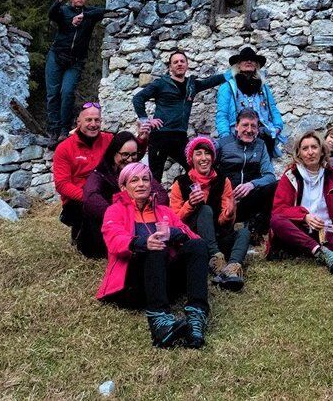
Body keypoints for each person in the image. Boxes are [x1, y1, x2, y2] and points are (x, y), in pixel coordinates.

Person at [97, 162, 210, 349]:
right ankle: (160, 323)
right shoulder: (115, 210)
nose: (141, 184)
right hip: (133, 286)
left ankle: (196, 317)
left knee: (198, 245)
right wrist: (142, 242)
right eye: (134, 180)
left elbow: (190, 235)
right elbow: (114, 239)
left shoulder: (164, 212)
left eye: (145, 179)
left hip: (163, 281)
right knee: (154, 247)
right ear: (123, 187)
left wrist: (174, 234)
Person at [53, 103, 148, 251]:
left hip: (109, 190)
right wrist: (89, 197)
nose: (93, 124)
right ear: (78, 122)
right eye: (89, 120)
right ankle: (84, 236)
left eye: (97, 120)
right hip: (80, 199)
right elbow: (62, 184)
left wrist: (141, 141)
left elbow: (129, 160)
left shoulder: (109, 139)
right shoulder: (64, 148)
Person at [268, 131, 333, 273]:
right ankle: (319, 251)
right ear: (299, 154)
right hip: (299, 228)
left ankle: (307, 249)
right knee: (276, 221)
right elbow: (279, 209)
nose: (310, 152)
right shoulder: (290, 175)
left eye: (314, 147)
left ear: (322, 151)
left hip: (325, 230)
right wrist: (304, 216)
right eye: (305, 148)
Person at [168, 136, 251, 291]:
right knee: (205, 209)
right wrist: (190, 204)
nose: (204, 158)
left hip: (218, 236)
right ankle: (217, 259)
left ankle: (231, 268)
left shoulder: (223, 180)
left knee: (244, 232)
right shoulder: (180, 183)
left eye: (207, 154)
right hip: (194, 239)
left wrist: (230, 213)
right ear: (191, 159)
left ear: (213, 158)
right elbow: (174, 220)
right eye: (198, 154)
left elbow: (223, 223)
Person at [133, 50, 228, 181]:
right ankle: (155, 201)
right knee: (155, 176)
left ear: (187, 65)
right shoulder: (161, 83)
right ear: (170, 67)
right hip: (160, 135)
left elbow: (211, 81)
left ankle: (191, 198)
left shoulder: (191, 85)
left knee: (193, 170)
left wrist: (233, 73)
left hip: (180, 136)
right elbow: (138, 98)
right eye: (175, 62)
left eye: (182, 61)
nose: (179, 64)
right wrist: (146, 120)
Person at [82, 130, 167, 259]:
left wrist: (148, 207)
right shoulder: (100, 174)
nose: (129, 159)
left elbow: (161, 194)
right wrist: (119, 214)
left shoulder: (138, 171)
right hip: (111, 229)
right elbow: (90, 199)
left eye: (134, 155)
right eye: (125, 155)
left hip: (138, 223)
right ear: (113, 153)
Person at [45, 0, 107, 141]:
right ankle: (54, 130)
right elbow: (52, 14)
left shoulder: (90, 14)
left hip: (76, 61)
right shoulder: (64, 11)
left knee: (66, 92)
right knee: (53, 94)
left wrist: (83, 16)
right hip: (56, 56)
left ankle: (64, 130)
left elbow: (103, 11)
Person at [215, 46, 288, 157]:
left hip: (263, 136)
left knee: (264, 169)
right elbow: (222, 115)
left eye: (252, 60)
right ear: (238, 64)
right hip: (237, 137)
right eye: (245, 59)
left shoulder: (263, 87)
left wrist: (277, 128)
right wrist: (226, 138)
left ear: (256, 65)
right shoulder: (227, 87)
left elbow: (272, 108)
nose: (249, 61)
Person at [215, 108, 278, 237]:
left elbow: (270, 176)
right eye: (245, 125)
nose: (249, 130)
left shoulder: (261, 145)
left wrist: (252, 184)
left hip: (249, 199)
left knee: (278, 185)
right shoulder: (223, 144)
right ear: (236, 126)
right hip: (225, 200)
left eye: (253, 126)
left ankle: (257, 230)